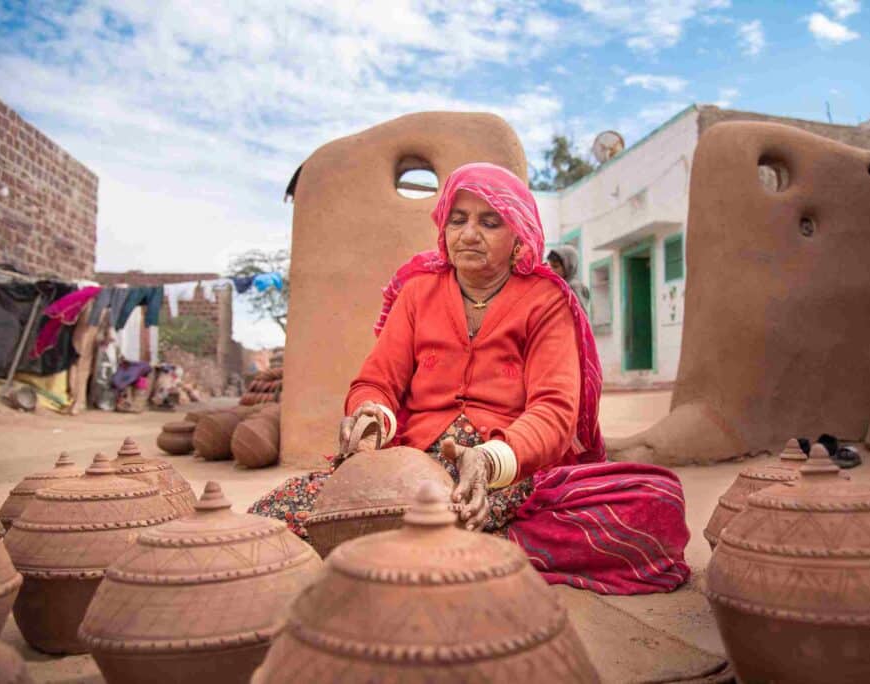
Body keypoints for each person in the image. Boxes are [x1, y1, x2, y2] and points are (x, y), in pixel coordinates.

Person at [250, 162, 690, 595]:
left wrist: (490, 460)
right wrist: (372, 419)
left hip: (507, 471)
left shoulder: (545, 300)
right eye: (457, 219)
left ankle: (431, 544)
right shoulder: (418, 292)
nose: (469, 233)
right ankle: (460, 548)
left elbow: (555, 410)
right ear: (443, 227)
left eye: (489, 221)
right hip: (411, 467)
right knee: (269, 518)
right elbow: (377, 383)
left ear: (519, 234)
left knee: (656, 503)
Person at [547, 244, 591, 315]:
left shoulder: (573, 287)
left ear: (569, 266)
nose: (551, 270)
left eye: (555, 266)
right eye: (550, 266)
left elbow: (581, 315)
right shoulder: (561, 285)